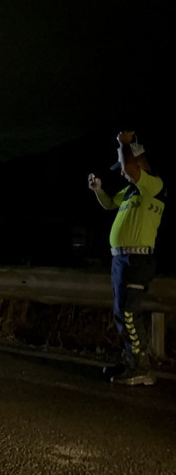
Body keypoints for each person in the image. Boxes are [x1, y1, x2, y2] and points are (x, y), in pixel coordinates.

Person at [87, 130, 166, 386]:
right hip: (121, 259)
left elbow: (131, 170)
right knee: (121, 313)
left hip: (137, 260)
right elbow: (110, 204)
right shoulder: (131, 192)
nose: (122, 173)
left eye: (124, 166)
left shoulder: (154, 185)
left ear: (139, 162)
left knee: (129, 312)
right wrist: (98, 190)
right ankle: (131, 359)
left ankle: (142, 367)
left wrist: (125, 143)